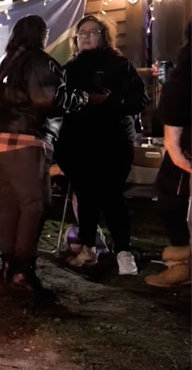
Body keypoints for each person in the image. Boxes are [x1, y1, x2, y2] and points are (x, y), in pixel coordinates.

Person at [0, 15, 87, 291]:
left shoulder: (5, 64)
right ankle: (22, 269)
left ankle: (8, 265)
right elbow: (47, 98)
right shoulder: (39, 60)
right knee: (33, 206)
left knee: (9, 206)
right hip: (24, 144)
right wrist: (80, 98)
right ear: (40, 35)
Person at [55, 15, 148, 275]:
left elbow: (139, 100)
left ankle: (124, 253)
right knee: (85, 197)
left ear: (103, 35)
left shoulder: (119, 65)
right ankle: (88, 248)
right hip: (80, 143)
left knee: (112, 197)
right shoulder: (70, 68)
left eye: (91, 32)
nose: (85, 37)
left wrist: (109, 101)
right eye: (81, 33)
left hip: (113, 141)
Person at [146, 19, 191, 287]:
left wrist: (173, 146)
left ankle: (181, 264)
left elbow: (174, 100)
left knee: (172, 197)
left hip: (186, 145)